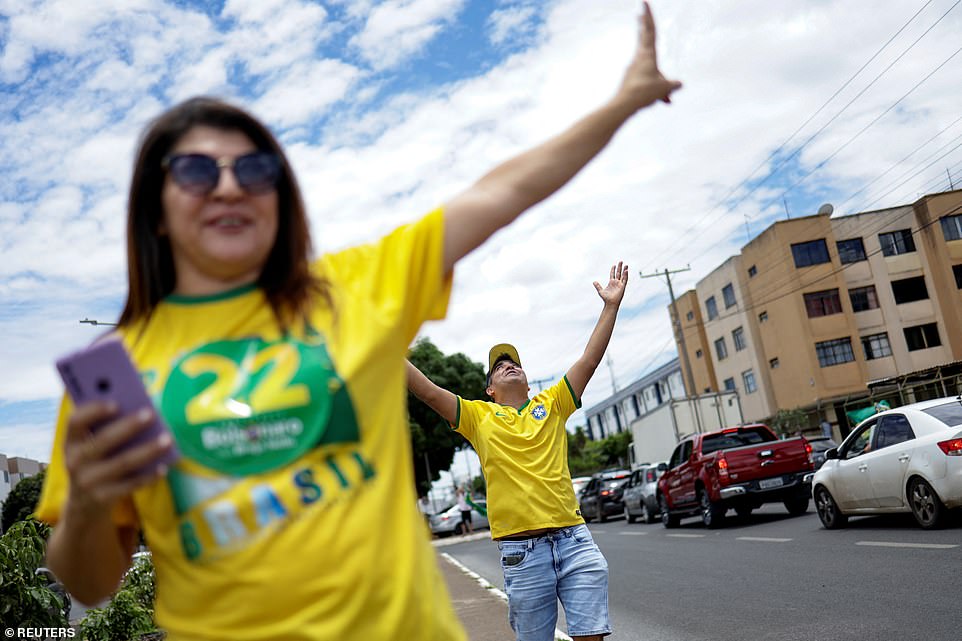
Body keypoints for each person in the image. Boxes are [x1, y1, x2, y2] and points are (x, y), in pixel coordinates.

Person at [35, 3, 679, 639]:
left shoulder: (348, 293)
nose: (228, 187)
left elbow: (500, 193)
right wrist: (91, 500)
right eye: (197, 171)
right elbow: (90, 582)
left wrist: (622, 103)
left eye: (254, 169)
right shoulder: (111, 370)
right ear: (155, 206)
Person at [406, 261, 630, 641]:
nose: (508, 365)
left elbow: (589, 360)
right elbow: (426, 390)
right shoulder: (477, 416)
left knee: (592, 636)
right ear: (489, 389)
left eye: (514, 362)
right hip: (521, 552)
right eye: (498, 367)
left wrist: (610, 306)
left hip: (574, 539)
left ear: (526, 379)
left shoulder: (554, 402)